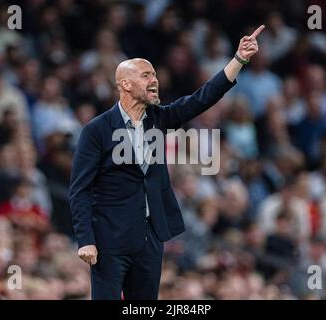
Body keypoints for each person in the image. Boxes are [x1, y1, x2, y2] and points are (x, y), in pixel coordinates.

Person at [69, 25, 265, 300]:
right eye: (146, 75)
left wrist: (239, 60)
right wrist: (86, 239)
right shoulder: (96, 130)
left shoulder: (159, 119)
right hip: (109, 240)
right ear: (125, 84)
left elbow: (202, 98)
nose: (154, 80)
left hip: (150, 239)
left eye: (155, 75)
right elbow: (80, 189)